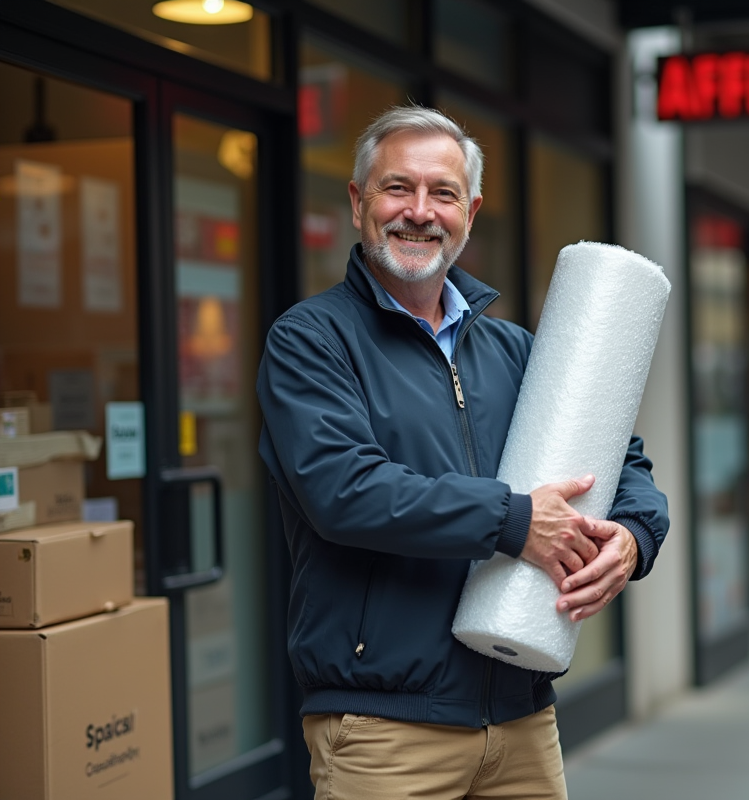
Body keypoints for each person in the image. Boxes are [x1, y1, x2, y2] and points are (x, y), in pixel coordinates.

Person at [256, 106, 669, 799]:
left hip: (523, 718)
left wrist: (634, 535)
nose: (419, 212)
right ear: (358, 202)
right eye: (398, 187)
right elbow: (345, 490)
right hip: (385, 728)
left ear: (470, 213)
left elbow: (620, 456)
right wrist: (514, 520)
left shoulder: (515, 348)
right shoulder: (311, 340)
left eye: (442, 193)